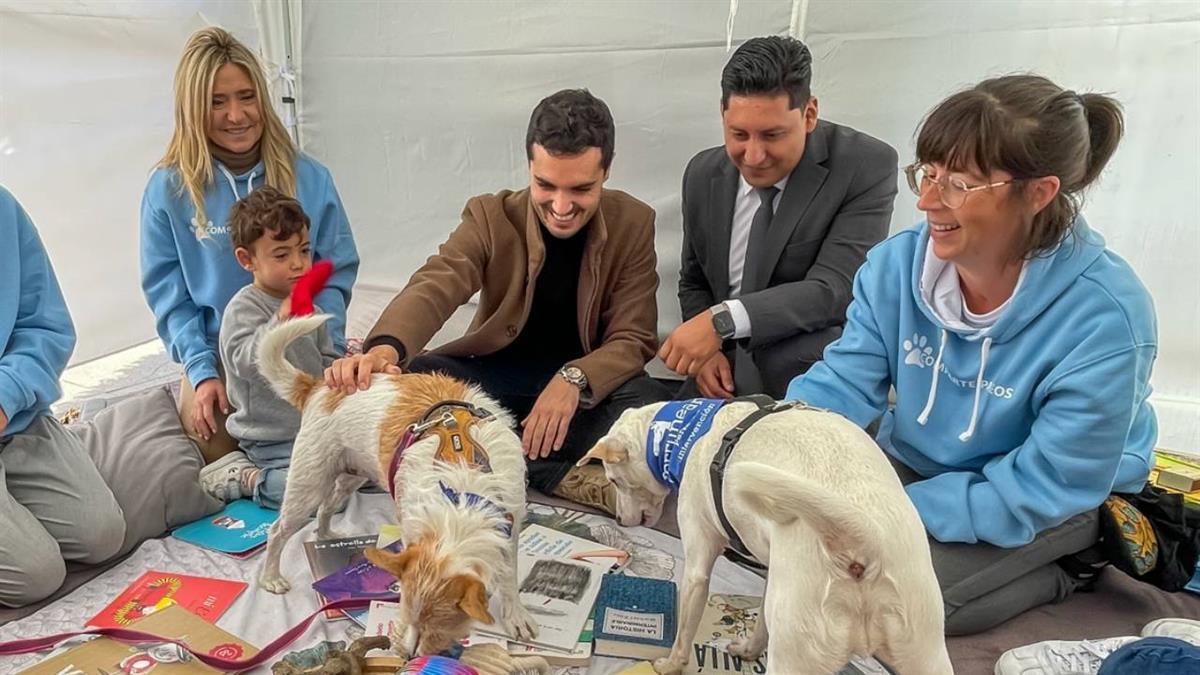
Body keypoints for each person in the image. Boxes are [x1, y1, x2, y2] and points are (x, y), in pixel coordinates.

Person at [786, 74, 1157, 634]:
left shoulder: (1107, 319)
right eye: (928, 173)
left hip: (1056, 494)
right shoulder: (895, 266)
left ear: (1039, 192)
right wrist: (778, 441)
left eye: (958, 183)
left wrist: (894, 513)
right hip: (922, 464)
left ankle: (1074, 566)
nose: (926, 200)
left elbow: (1047, 481)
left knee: (896, 603)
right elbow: (843, 381)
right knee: (799, 545)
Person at [324, 89, 671, 512]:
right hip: (491, 384)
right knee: (411, 379)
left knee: (650, 408)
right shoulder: (490, 216)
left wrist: (574, 379)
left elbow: (632, 338)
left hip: (579, 399)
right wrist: (385, 349)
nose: (561, 206)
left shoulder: (633, 222)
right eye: (546, 185)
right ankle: (554, 473)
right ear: (529, 166)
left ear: (607, 171)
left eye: (581, 189)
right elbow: (436, 283)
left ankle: (502, 461)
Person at [140, 27, 358, 463]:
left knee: (328, 456)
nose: (236, 115)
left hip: (299, 346)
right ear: (192, 108)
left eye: (246, 96)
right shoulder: (168, 190)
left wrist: (328, 351)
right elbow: (171, 297)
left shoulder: (310, 177)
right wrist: (201, 373)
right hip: (222, 356)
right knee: (215, 451)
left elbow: (333, 271)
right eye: (217, 102)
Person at [662, 35, 897, 399]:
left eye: (773, 135)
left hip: (809, 380)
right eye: (738, 134)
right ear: (722, 113)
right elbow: (695, 282)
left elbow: (834, 290)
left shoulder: (864, 165)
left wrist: (721, 322)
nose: (753, 156)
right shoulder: (701, 173)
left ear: (809, 114)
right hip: (718, 379)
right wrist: (707, 352)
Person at [0, 186, 125, 607]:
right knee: (34, 575)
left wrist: (6, 397)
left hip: (18, 419)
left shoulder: (3, 208)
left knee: (102, 535)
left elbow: (45, 326)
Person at [199, 187, 339, 508]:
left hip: (316, 429)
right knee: (317, 495)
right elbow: (244, 363)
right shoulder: (243, 308)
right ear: (247, 259)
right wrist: (280, 319)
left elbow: (327, 361)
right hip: (270, 441)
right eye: (281, 254)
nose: (299, 264)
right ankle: (245, 477)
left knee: (369, 475)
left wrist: (345, 373)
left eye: (304, 251)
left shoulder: (312, 310)